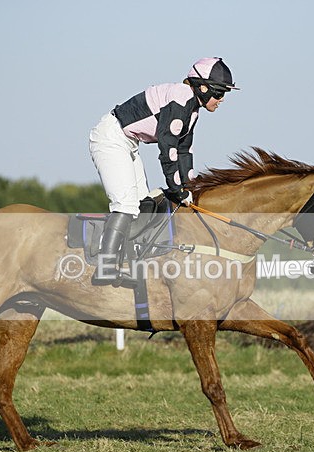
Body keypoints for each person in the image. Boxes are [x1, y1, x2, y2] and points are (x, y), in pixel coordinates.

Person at [88, 57, 239, 285]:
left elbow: (184, 151)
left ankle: (127, 262)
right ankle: (106, 267)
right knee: (126, 205)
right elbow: (167, 150)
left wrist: (190, 187)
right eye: (219, 93)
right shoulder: (181, 99)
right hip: (111, 138)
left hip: (128, 143)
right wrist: (177, 189)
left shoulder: (192, 109)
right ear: (203, 87)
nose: (222, 99)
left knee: (143, 203)